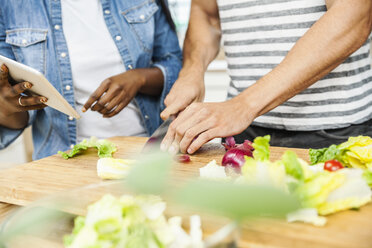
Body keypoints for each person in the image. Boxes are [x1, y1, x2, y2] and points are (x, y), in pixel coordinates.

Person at [160, 0, 372, 155]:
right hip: (242, 133)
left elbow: (353, 14)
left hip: (334, 129)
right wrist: (192, 71)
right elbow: (207, 14)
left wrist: (244, 105)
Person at [0, 0, 182, 160]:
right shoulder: (10, 5)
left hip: (149, 153)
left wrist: (139, 78)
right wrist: (7, 106)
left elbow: (177, 66)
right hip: (65, 162)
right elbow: (17, 111)